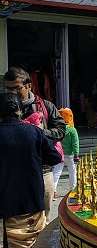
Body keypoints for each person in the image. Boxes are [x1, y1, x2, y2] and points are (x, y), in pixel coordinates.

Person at [0, 93, 62, 248]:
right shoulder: (34, 132)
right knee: (34, 247)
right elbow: (55, 157)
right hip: (32, 197)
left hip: (6, 200)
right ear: (19, 111)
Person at [4, 66, 66, 213]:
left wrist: (38, 133)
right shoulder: (3, 108)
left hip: (42, 171)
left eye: (16, 88)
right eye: (8, 89)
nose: (12, 93)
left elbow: (61, 130)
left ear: (28, 86)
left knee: (42, 218)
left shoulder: (46, 106)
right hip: (11, 173)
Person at [57, 108, 79, 196]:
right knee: (72, 172)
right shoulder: (72, 130)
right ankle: (73, 189)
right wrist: (76, 155)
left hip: (60, 154)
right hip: (70, 155)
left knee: (57, 172)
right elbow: (75, 143)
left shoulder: (59, 129)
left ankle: (53, 190)